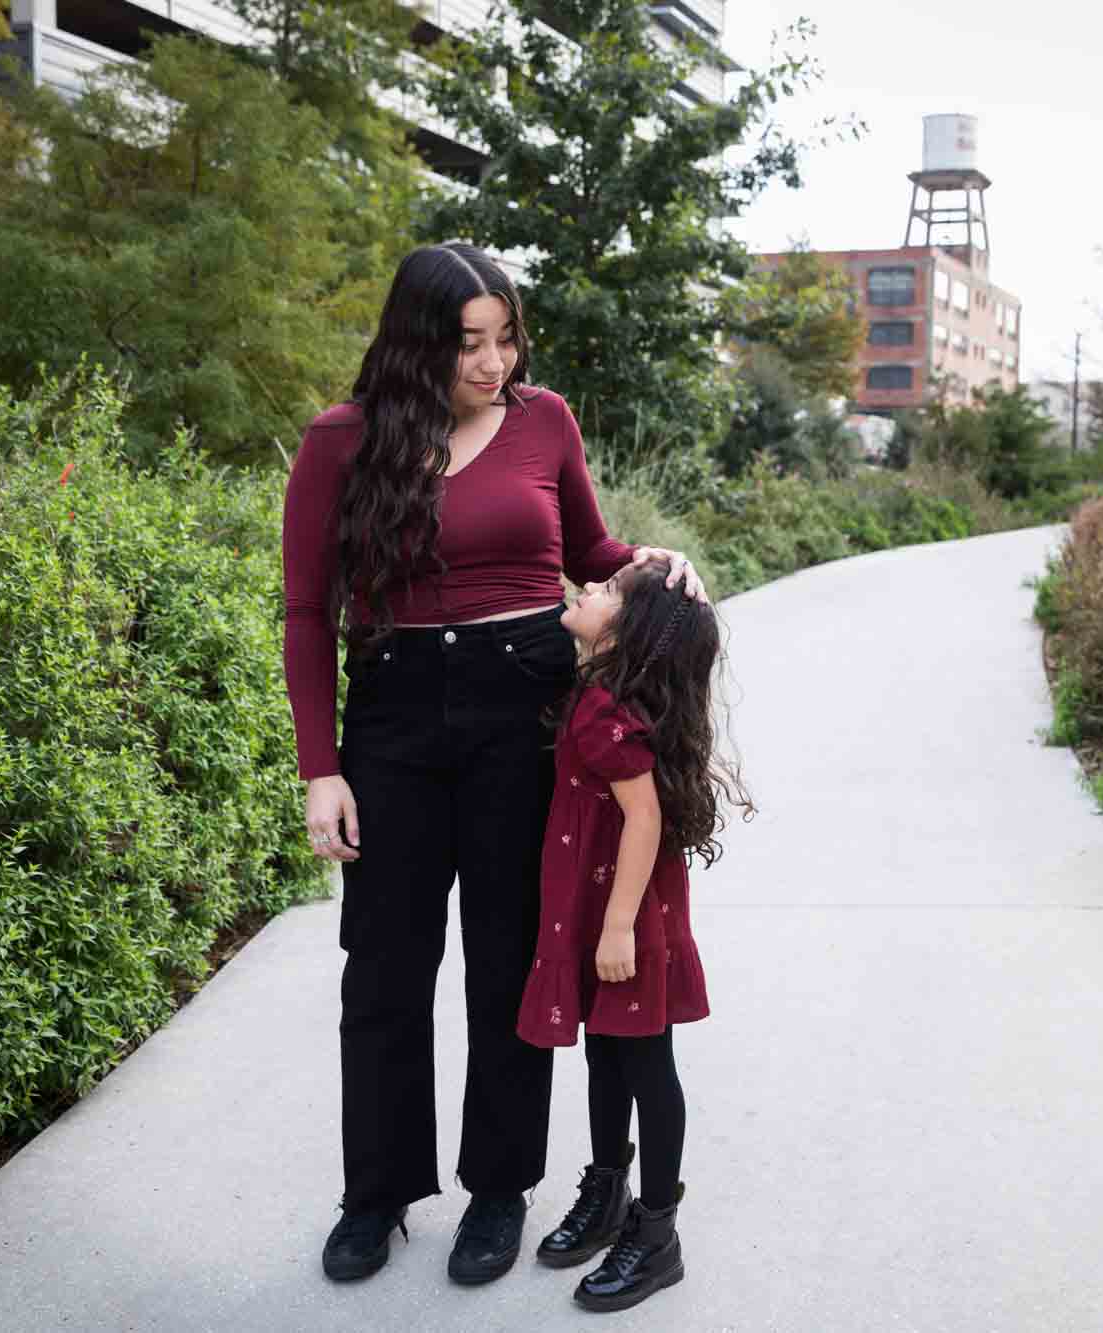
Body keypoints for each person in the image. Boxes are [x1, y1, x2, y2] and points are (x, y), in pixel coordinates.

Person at [280, 243, 702, 1286]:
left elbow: (590, 553)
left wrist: (655, 564)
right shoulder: (343, 442)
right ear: (419, 339)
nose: (493, 362)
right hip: (395, 712)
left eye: (506, 336)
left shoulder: (542, 419)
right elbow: (304, 611)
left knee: (510, 958)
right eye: (469, 341)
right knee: (383, 966)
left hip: (527, 704)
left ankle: (498, 1188)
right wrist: (319, 766)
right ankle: (374, 1192)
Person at [515, 558, 751, 1313]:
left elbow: (644, 820)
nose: (589, 588)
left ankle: (657, 1234)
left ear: (629, 631)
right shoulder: (598, 689)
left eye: (609, 591)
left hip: (626, 919)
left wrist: (616, 927)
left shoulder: (605, 711)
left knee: (647, 1066)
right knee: (608, 1053)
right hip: (605, 911)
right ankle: (608, 1189)